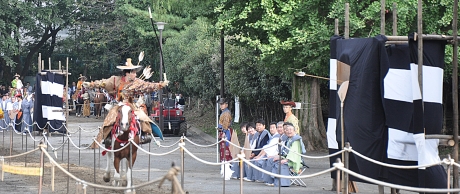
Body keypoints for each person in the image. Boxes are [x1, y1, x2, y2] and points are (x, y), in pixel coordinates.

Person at [271, 122, 306, 187]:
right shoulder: (289, 139)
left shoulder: (296, 140)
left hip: (295, 161)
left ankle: (284, 183)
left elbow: (293, 152)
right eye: (287, 130)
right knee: (274, 161)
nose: (289, 131)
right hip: (288, 158)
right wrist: (280, 157)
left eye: (290, 130)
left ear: (294, 131)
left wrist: (286, 160)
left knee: (281, 164)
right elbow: (285, 151)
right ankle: (276, 181)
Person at [217, 98, 238, 162]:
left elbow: (226, 124)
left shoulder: (226, 113)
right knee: (223, 149)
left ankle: (227, 164)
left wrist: (224, 132)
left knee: (226, 148)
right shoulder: (224, 112)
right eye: (220, 104)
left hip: (226, 131)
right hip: (223, 130)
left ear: (226, 104)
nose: (221, 106)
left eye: (222, 104)